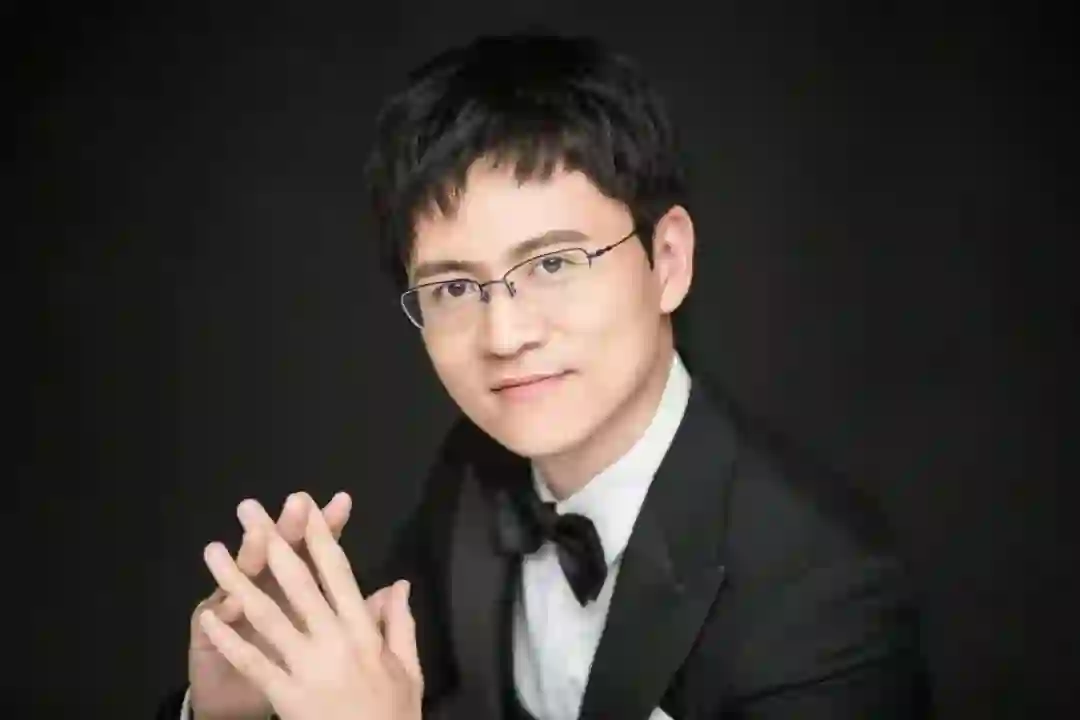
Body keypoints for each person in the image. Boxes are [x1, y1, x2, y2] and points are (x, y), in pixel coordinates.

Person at [157, 32, 931, 720]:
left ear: (667, 261)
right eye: (454, 287)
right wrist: (234, 711)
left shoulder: (826, 591)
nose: (505, 336)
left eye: (554, 264)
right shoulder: (474, 474)